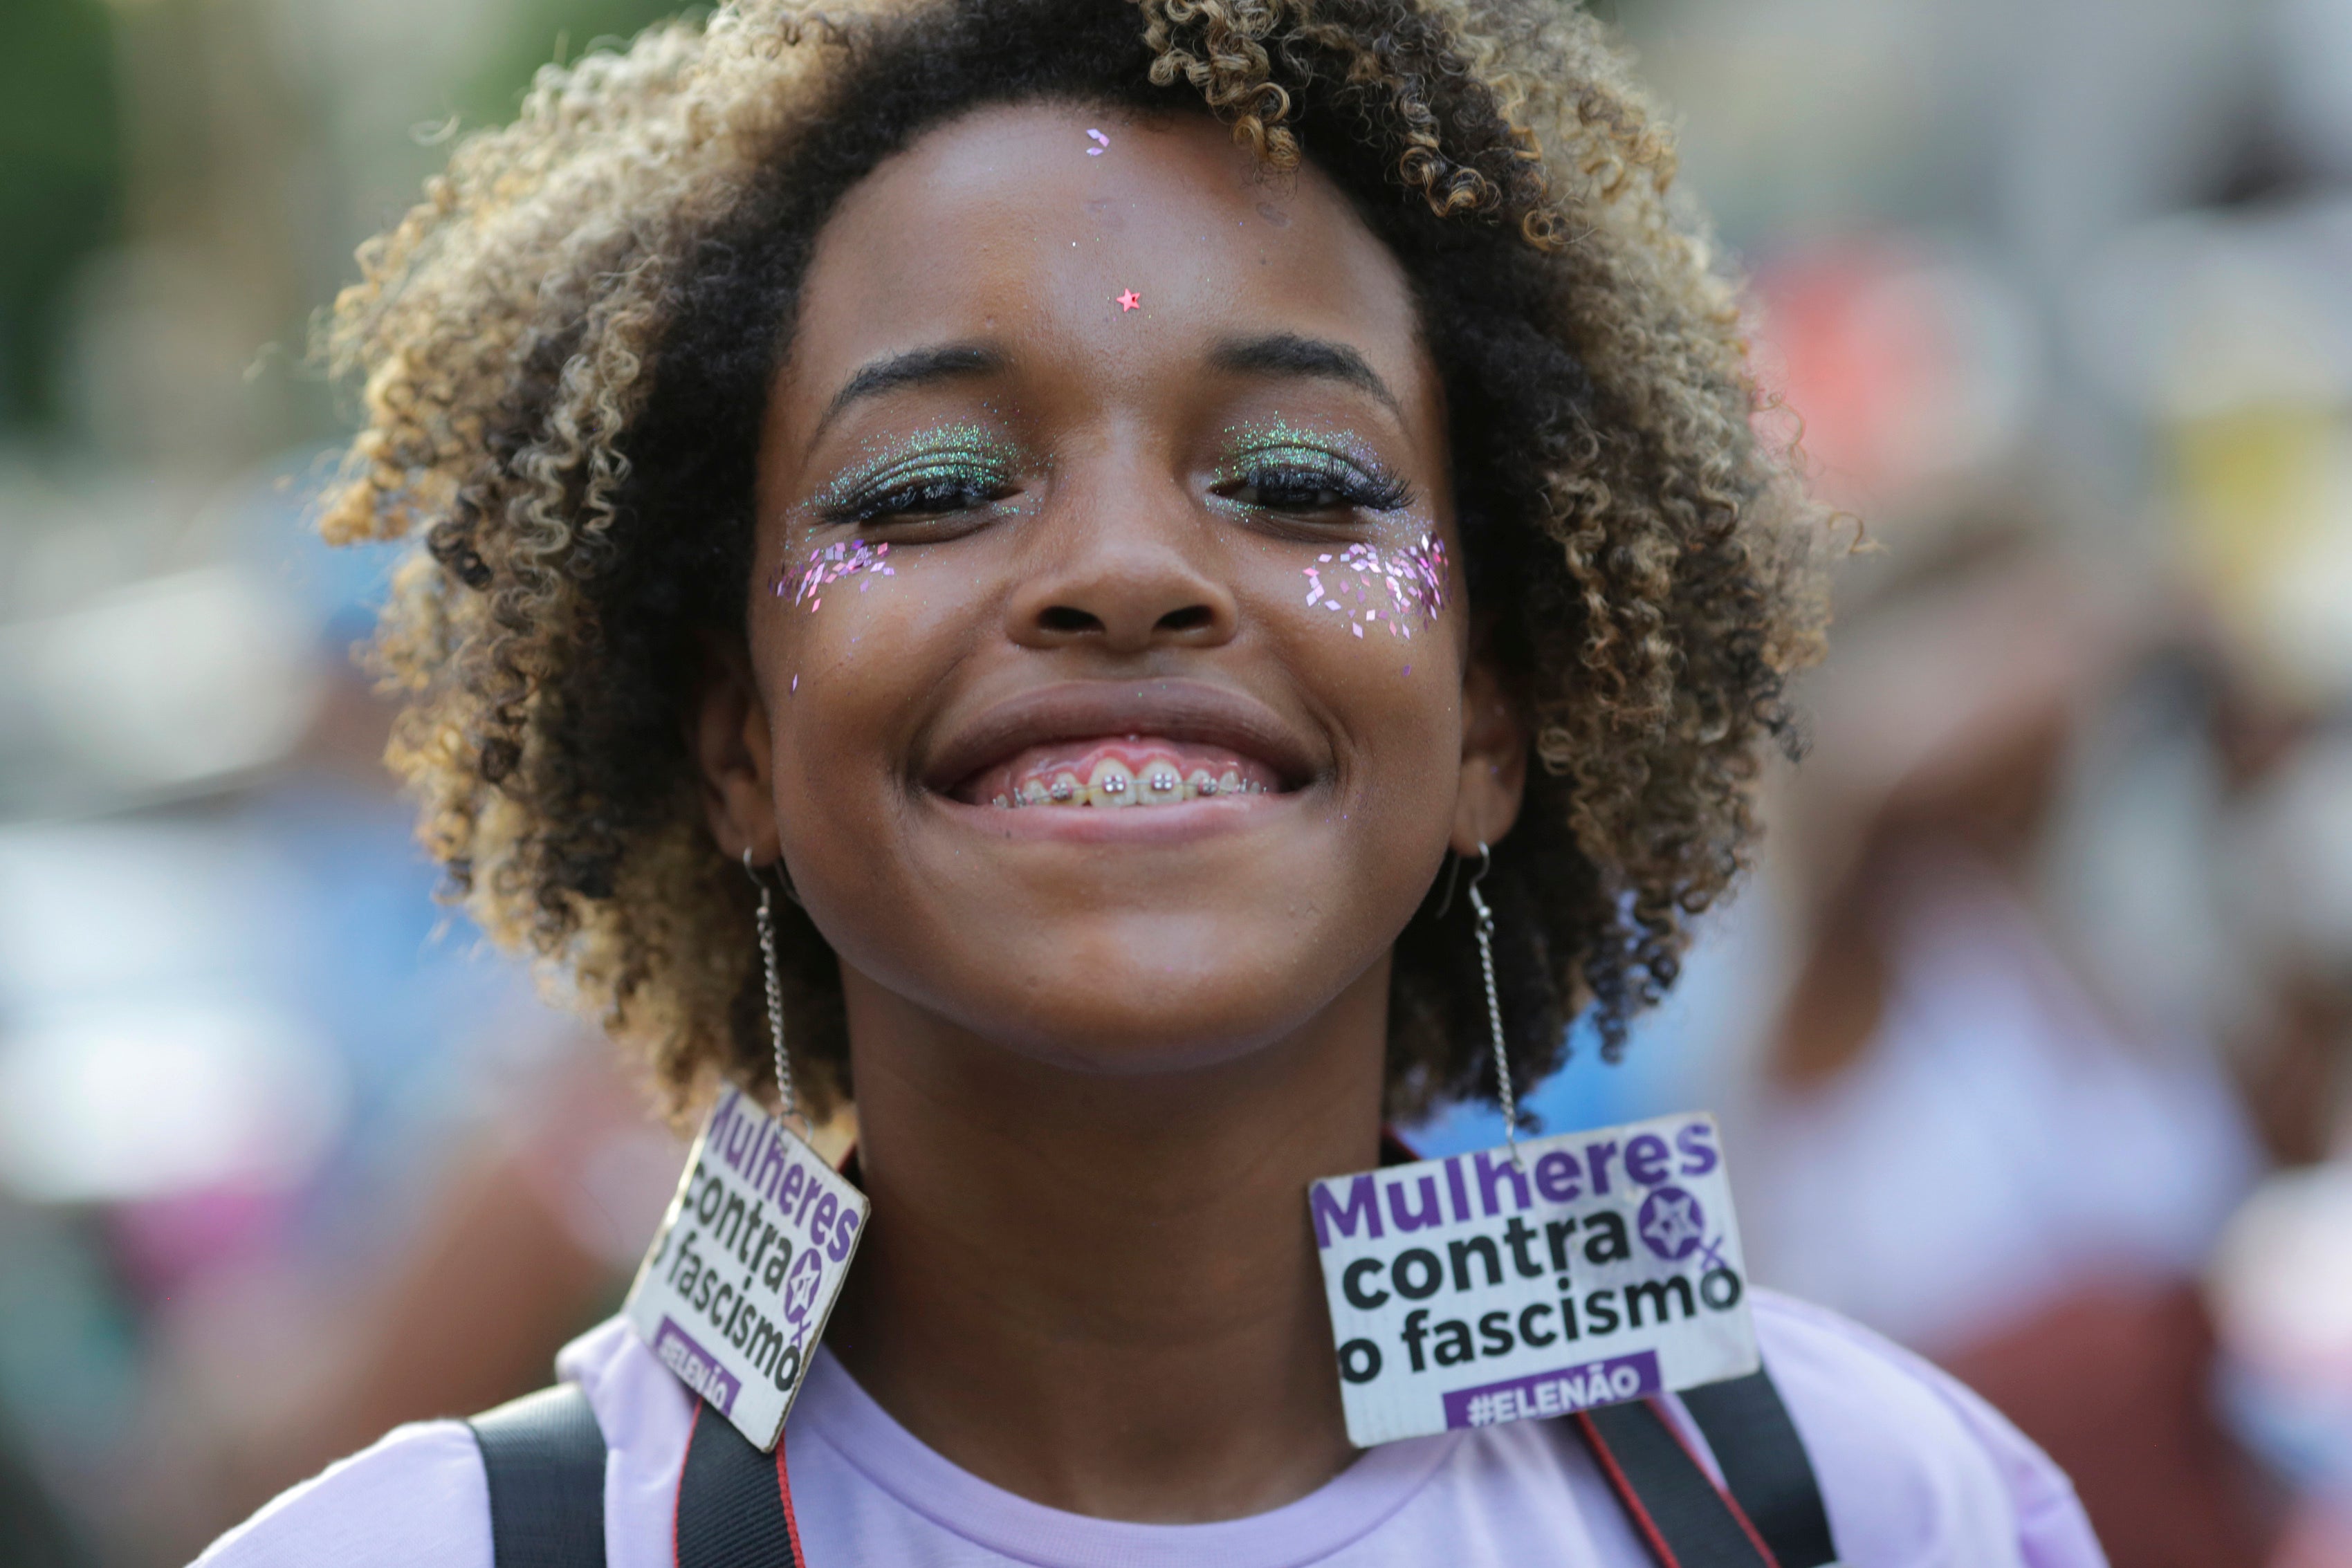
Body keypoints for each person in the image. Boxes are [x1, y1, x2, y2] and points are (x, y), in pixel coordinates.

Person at [192, 0, 2106, 1561]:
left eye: (1299, 479)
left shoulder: (1877, 1511)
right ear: (736, 743)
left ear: (1493, 722)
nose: (1124, 568)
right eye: (934, 486)